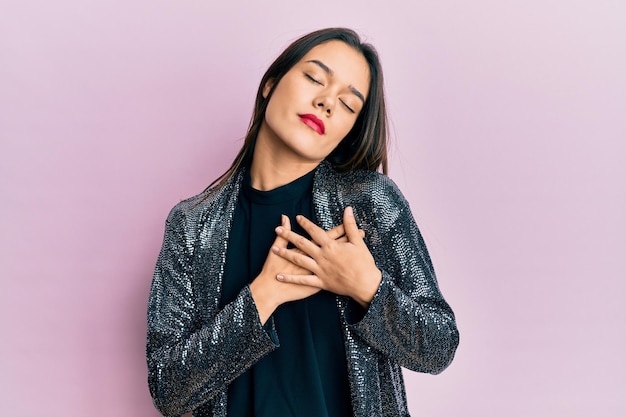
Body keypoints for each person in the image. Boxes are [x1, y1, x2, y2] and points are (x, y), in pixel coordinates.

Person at [147, 27, 459, 417]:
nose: (327, 102)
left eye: (348, 104)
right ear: (271, 84)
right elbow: (168, 389)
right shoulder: (191, 225)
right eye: (315, 78)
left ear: (349, 130)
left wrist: (366, 286)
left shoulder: (369, 204)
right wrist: (263, 295)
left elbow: (439, 346)